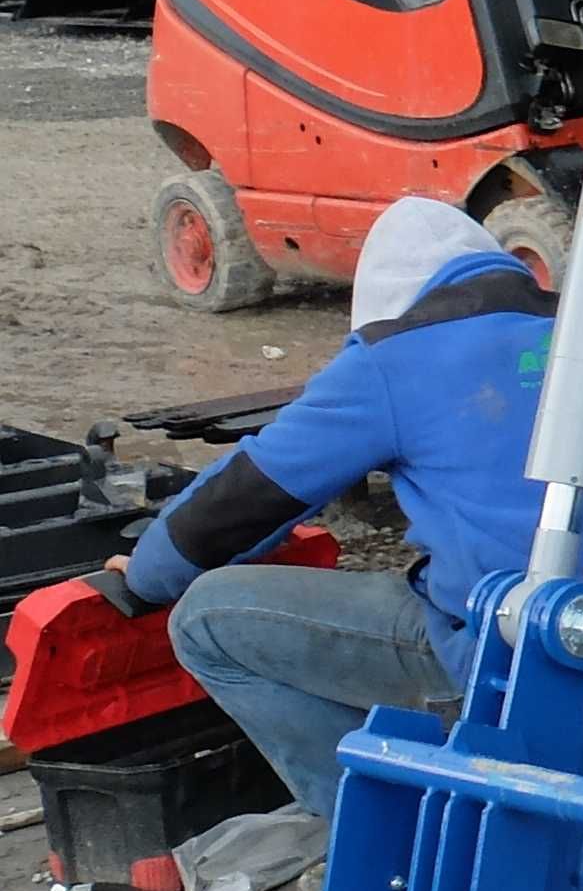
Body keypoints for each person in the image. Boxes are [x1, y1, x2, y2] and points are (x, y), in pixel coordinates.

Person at [94, 195, 555, 814]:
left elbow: (247, 497)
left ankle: (377, 831)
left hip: (501, 655)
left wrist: (148, 575)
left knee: (204, 620)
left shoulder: (394, 358)